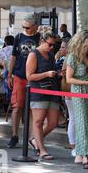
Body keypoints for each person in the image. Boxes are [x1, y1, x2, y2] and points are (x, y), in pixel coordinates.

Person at [65, 30, 88, 167]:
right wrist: (86, 83)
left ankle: (80, 154)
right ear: (82, 42)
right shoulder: (73, 57)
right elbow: (69, 79)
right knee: (83, 122)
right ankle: (85, 155)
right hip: (79, 92)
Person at [7, 14, 40, 148]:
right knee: (17, 107)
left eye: (27, 27)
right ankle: (14, 135)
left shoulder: (40, 38)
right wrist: (9, 75)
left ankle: (32, 138)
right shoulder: (19, 37)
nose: (25, 29)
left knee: (33, 108)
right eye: (23, 27)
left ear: (35, 27)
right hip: (20, 76)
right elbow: (13, 57)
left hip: (35, 77)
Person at [26, 32, 60, 160]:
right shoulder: (33, 54)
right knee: (38, 121)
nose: (51, 47)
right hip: (39, 91)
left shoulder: (51, 55)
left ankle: (35, 140)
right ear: (42, 41)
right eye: (50, 44)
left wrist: (57, 73)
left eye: (54, 45)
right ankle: (41, 149)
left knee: (53, 122)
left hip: (52, 90)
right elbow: (29, 76)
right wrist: (46, 74)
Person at [0, 35, 14, 108]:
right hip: (15, 71)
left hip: (6, 71)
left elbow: (0, 61)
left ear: (5, 42)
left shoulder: (3, 50)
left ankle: (8, 103)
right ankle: (13, 102)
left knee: (7, 87)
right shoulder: (16, 49)